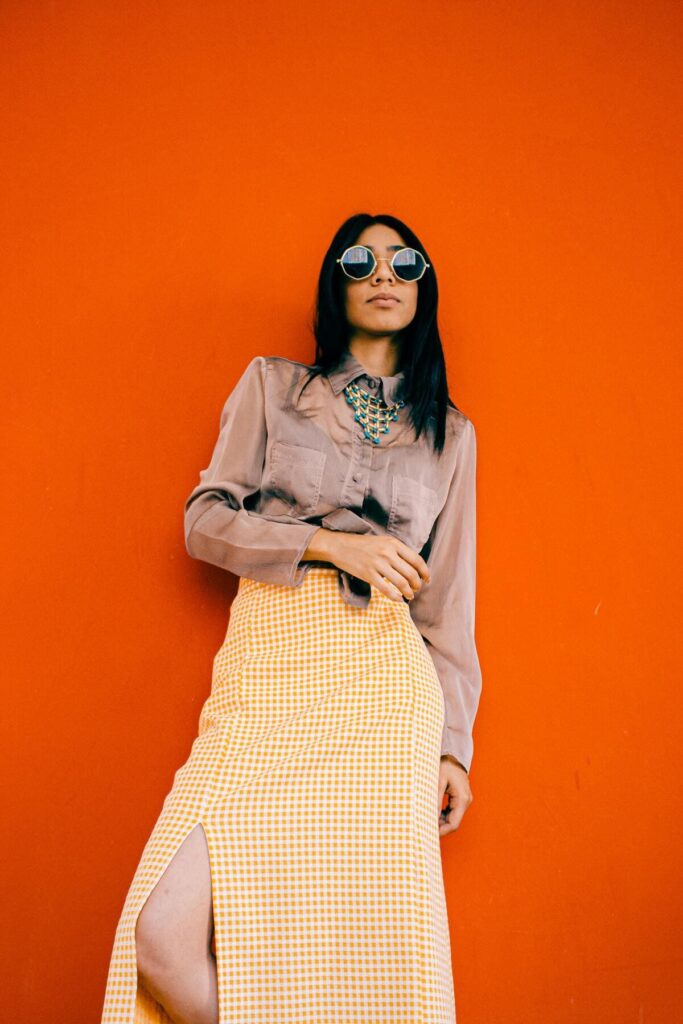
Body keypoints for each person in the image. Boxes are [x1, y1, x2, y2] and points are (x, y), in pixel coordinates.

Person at [101, 211, 483, 1024]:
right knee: (161, 936)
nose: (384, 275)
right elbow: (203, 523)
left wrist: (453, 749)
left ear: (422, 287)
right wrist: (328, 547)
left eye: (403, 263)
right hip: (270, 667)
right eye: (361, 261)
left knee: (364, 948)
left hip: (384, 689)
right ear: (335, 283)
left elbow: (448, 604)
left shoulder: (450, 434)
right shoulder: (274, 387)